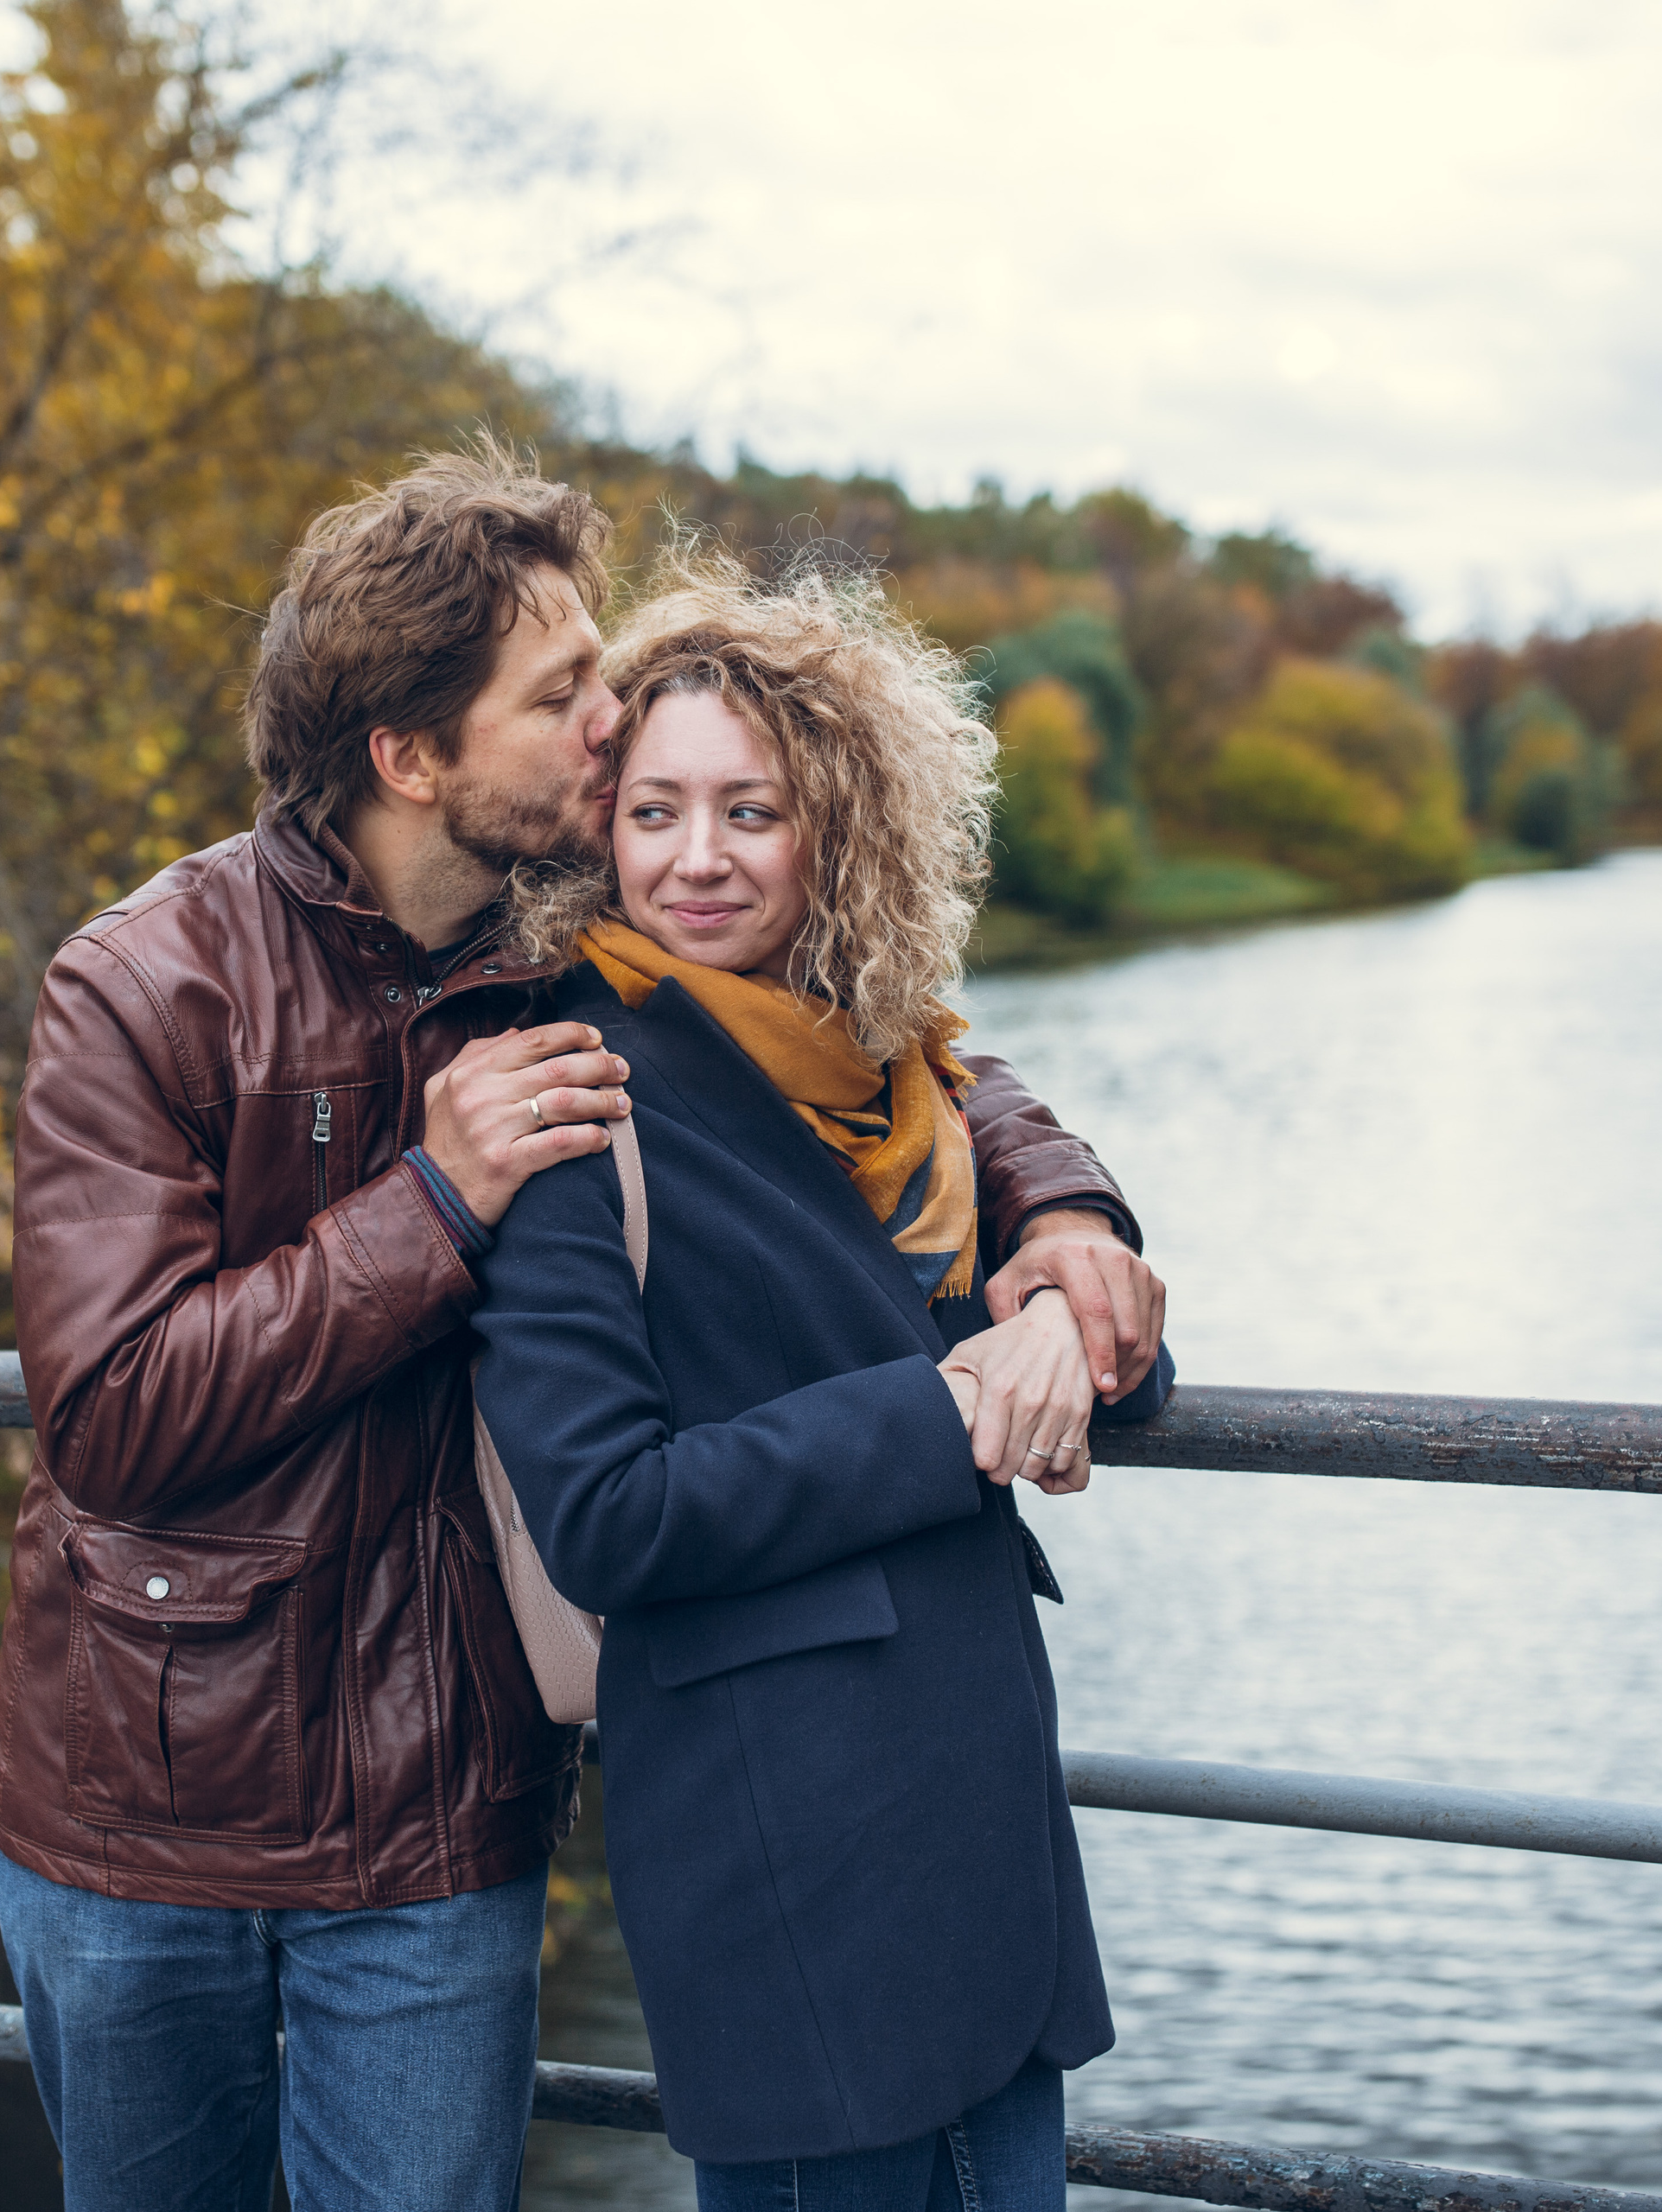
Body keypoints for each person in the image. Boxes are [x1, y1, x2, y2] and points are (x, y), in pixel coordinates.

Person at [0, 443, 1168, 2212]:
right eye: (566, 694)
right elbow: (113, 1416)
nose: (610, 721)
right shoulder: (152, 982)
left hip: (438, 1789)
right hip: (152, 1799)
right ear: (412, 754)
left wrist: (1058, 1205)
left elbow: (876, 1048)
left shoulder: (549, 956)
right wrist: (428, 1201)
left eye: (605, 675)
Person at [473, 554, 1175, 2209]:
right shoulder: (573, 1100)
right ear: (603, 829)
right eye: (654, 812)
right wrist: (954, 1403)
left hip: (983, 1830)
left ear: (840, 826)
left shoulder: (896, 1063)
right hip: (785, 1856)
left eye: (751, 811)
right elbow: (609, 1515)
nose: (697, 860)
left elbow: (1109, 1359)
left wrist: (1071, 1296)